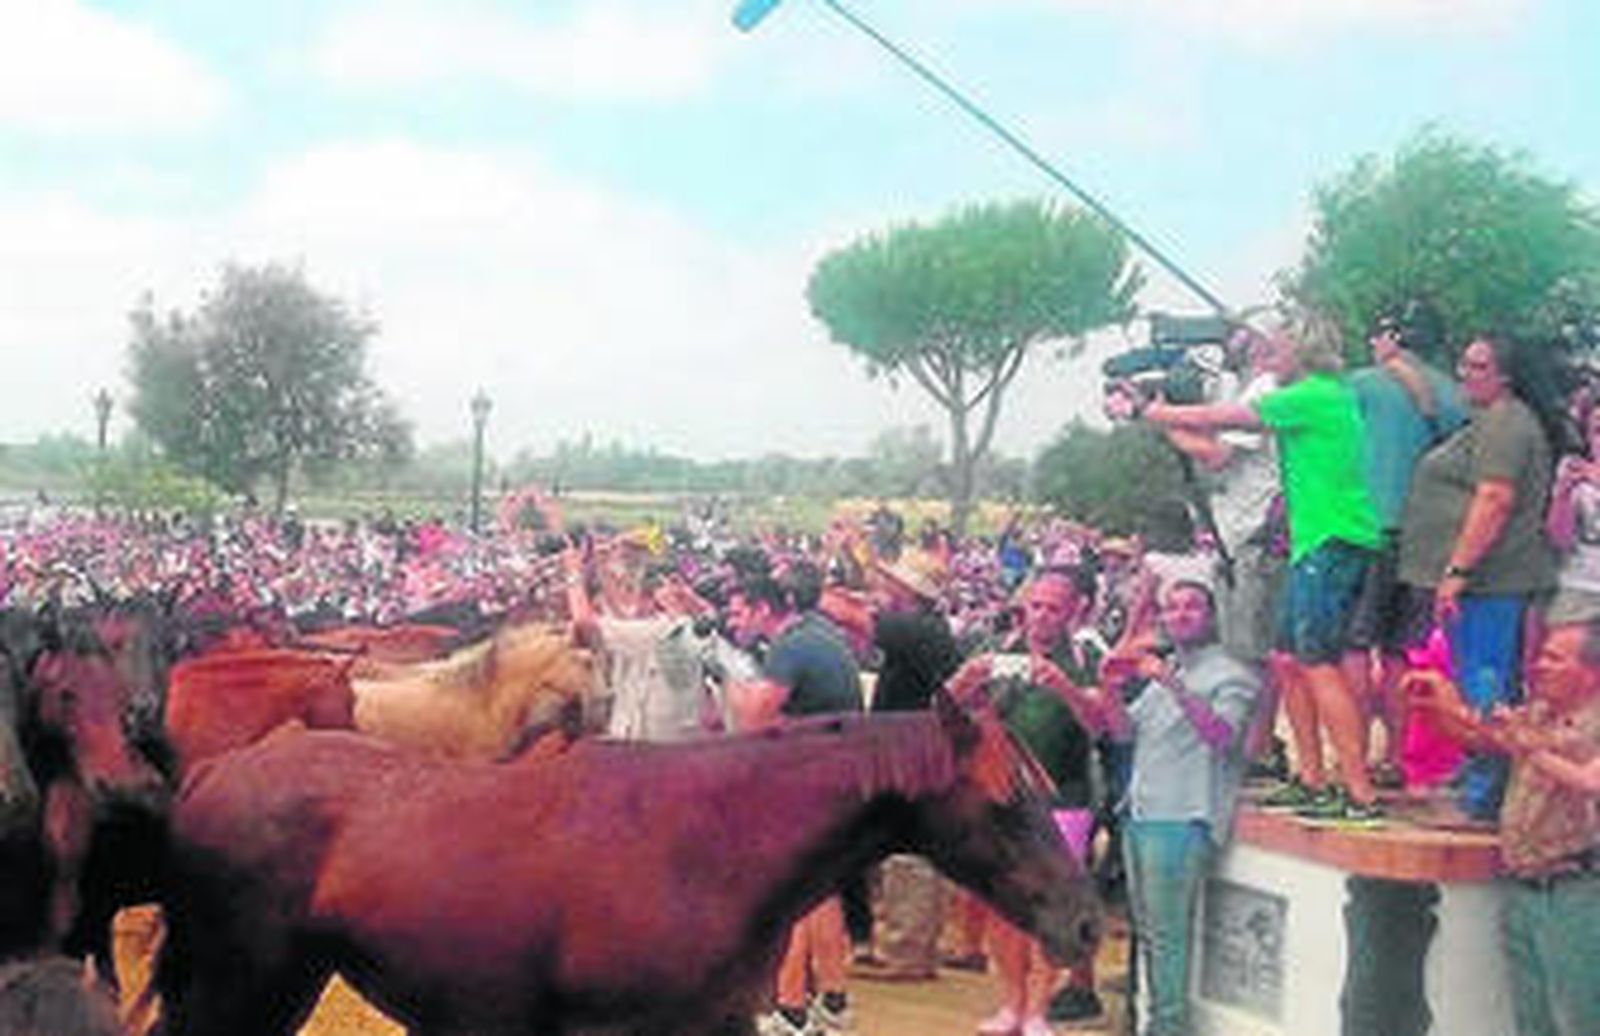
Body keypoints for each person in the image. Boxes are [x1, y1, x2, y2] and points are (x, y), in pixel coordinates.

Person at [1118, 308, 1385, 820]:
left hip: (1332, 538)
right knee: (1286, 659)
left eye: (1275, 347)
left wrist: (1151, 412)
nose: (1265, 355)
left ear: (1302, 351)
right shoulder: (1323, 395)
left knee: (1316, 661)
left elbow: (1223, 421)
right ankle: (1312, 778)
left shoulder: (1312, 395)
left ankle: (1358, 789)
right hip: (1318, 540)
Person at [1066, 580, 1260, 1036]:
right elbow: (1123, 733)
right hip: (1141, 812)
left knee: (1169, 937)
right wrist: (1110, 688)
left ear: (1213, 616)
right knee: (1150, 935)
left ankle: (1169, 1028)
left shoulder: (1230, 673)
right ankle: (1155, 1022)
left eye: (1192, 606)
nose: (1180, 615)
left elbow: (1222, 736)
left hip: (1183, 816)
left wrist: (1170, 683)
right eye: (1171, 608)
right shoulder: (1167, 668)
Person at [1404, 622, 1599, 1035]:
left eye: (1555, 658)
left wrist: (1527, 748)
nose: (1539, 666)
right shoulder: (1540, 713)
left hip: (1577, 889)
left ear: (1591, 672)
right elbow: (1485, 738)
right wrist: (1439, 705)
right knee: (1532, 1019)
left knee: (1581, 1016)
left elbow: (1590, 782)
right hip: (1524, 886)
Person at [1398, 333, 1560, 820]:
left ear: (1506, 375)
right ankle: (1476, 780)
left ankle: (1482, 798)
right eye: (1464, 363)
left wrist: (1456, 571)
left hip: (1494, 580)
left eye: (1479, 366)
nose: (1466, 373)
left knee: (1487, 686)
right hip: (1483, 583)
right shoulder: (1490, 420)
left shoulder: (1507, 424)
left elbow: (1494, 499)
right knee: (1475, 680)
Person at [949, 569, 1107, 1034]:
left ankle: (1039, 1010)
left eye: (1052, 608)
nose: (1040, 616)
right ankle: (1013, 1004)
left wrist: (1064, 686)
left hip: (1064, 798)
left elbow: (1101, 725)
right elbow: (946, 715)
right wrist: (964, 683)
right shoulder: (999, 649)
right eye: (1035, 605)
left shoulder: (1088, 655)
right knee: (1005, 910)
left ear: (1076, 609)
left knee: (1051, 909)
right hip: (1003, 799)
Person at [727, 566, 864, 1036]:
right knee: (821, 894)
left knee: (792, 894)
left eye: (739, 611)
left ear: (765, 609)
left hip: (811, 784)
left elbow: (752, 720)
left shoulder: (789, 647)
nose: (733, 620)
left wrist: (729, 675)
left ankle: (790, 1010)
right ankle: (835, 999)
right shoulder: (819, 632)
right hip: (840, 776)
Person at [1344, 304, 1468, 782]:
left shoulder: (1363, 385)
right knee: (1399, 653)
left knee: (1354, 645)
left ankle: (1353, 758)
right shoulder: (1455, 396)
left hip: (1368, 527)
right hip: (1426, 539)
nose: (1372, 344)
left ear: (1393, 336)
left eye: (1376, 334)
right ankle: (1396, 758)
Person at [1544, 402, 1600, 629]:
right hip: (1578, 586)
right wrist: (1562, 496)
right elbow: (1559, 541)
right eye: (1598, 431)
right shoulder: (1572, 467)